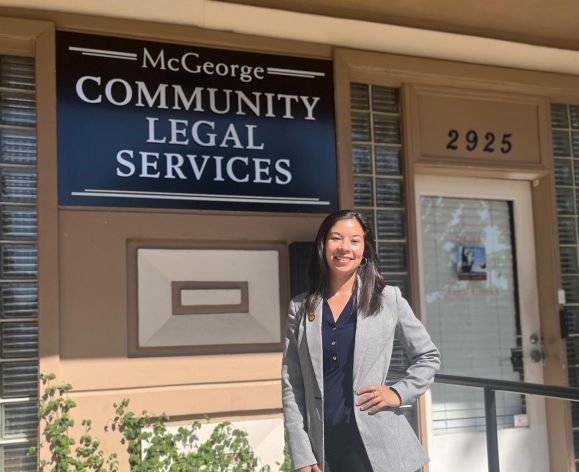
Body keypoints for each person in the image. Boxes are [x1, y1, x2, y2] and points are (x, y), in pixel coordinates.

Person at [281, 210, 440, 472]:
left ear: (365, 250)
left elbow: (428, 356)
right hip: (325, 446)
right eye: (336, 238)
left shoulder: (388, 299)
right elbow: (292, 384)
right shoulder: (300, 307)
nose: (344, 248)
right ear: (323, 245)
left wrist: (398, 393)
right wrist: (301, 453)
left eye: (354, 240)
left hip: (380, 444)